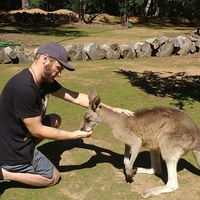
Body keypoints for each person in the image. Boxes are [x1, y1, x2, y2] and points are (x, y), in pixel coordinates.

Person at [0, 42, 133, 187]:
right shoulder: (25, 88)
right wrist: (75, 135)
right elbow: (37, 130)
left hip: (14, 135)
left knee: (55, 120)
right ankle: (5, 172)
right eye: (59, 67)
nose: (60, 72)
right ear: (45, 59)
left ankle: (25, 153)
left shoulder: (42, 80)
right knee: (52, 178)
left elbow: (76, 97)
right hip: (12, 148)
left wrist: (112, 109)